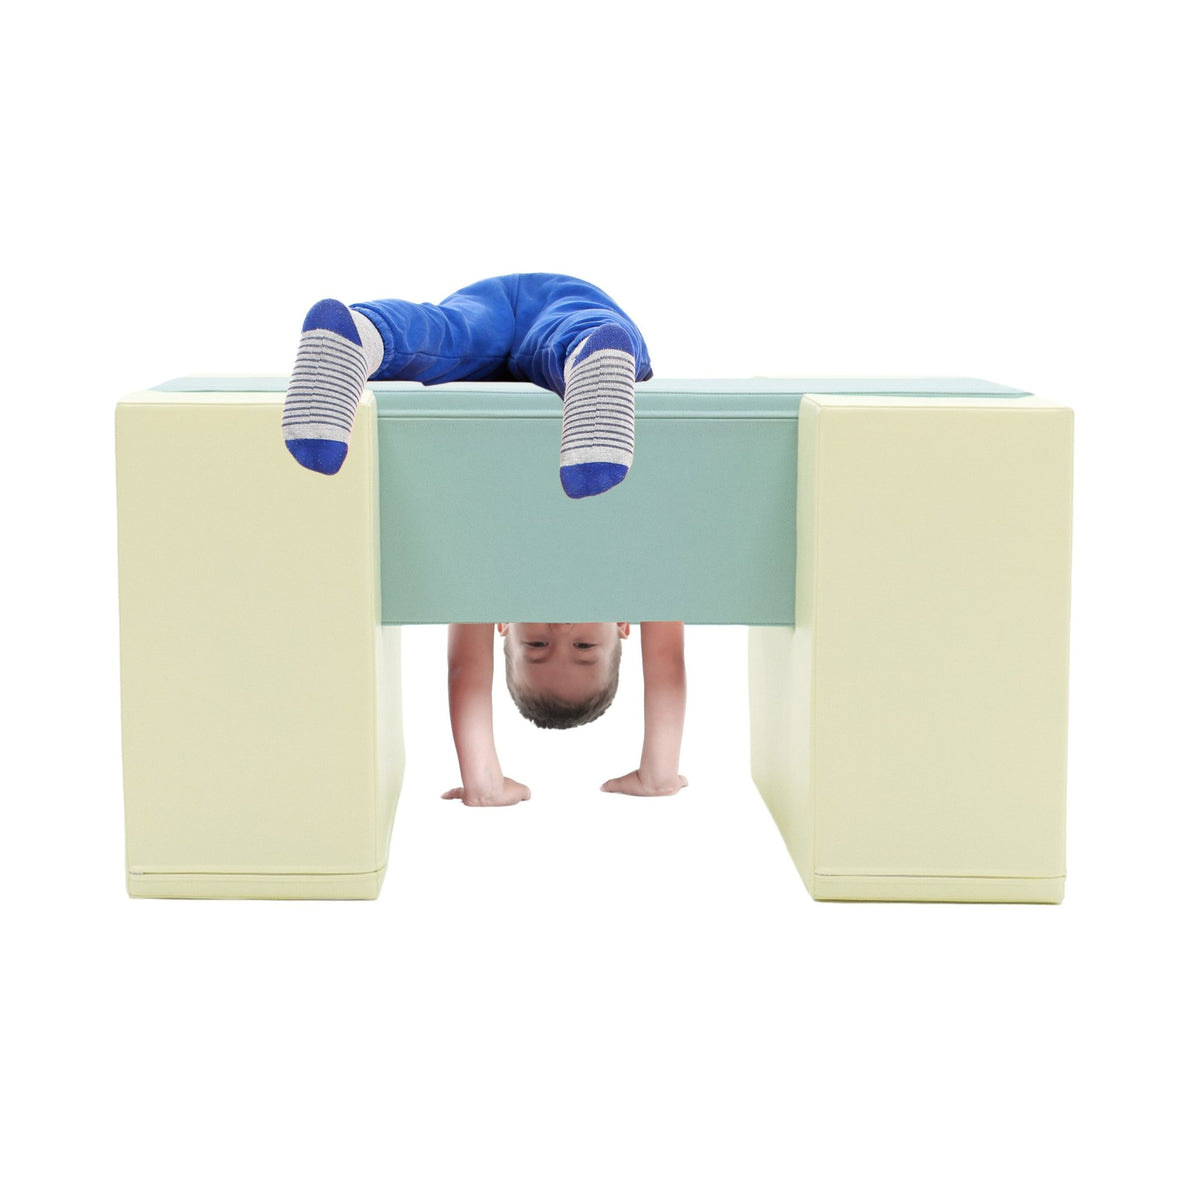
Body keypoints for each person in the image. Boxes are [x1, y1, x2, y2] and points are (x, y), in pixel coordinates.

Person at [281, 273, 685, 806]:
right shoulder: (638, 572)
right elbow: (667, 663)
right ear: (623, 623)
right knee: (580, 332)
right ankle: (594, 361)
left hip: (485, 316)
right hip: (572, 305)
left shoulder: (485, 578)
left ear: (502, 625)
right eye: (584, 646)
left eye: (536, 646)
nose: (560, 628)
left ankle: (358, 336)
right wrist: (659, 772)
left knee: (438, 340)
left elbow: (465, 670)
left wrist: (484, 781)